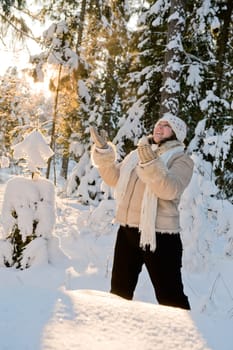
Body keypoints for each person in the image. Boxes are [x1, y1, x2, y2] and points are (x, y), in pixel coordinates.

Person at [90, 115, 194, 309]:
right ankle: (113, 331)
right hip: (128, 232)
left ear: (176, 133)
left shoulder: (182, 159)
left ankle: (183, 337)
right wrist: (104, 152)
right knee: (119, 292)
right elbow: (115, 178)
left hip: (160, 237)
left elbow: (169, 190)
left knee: (170, 298)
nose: (160, 128)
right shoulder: (137, 154)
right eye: (158, 124)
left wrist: (151, 164)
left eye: (166, 126)